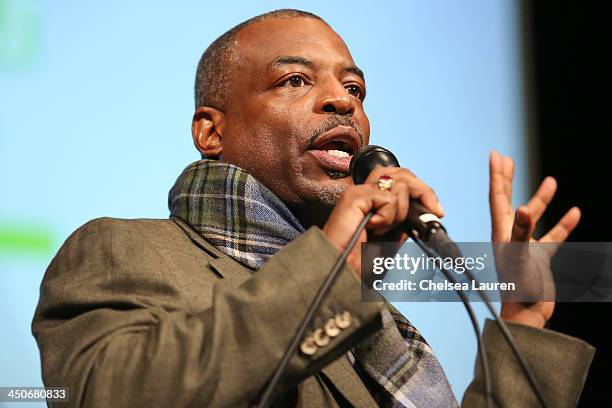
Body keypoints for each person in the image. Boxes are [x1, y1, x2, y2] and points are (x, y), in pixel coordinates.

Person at [32, 9, 594, 407]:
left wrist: (521, 326)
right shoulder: (122, 248)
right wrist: (334, 270)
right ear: (210, 130)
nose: (342, 100)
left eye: (356, 88)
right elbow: (104, 395)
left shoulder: (376, 322)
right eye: (295, 80)